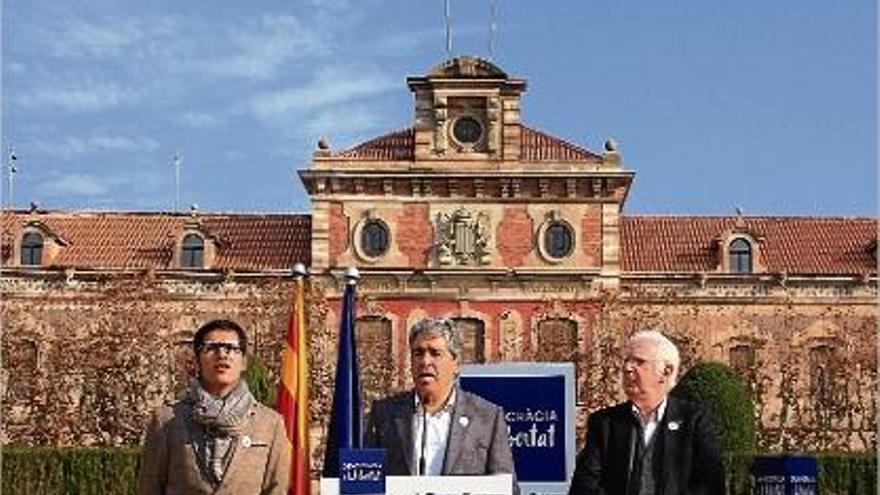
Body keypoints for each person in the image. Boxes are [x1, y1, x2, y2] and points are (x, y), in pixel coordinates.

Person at [364, 317, 519, 493]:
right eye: (418, 353)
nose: (425, 361)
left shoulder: (486, 417)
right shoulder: (384, 414)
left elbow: (508, 488)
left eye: (435, 353)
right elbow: (364, 483)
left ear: (455, 363)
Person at [138, 319, 290, 495]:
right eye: (211, 348)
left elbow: (276, 489)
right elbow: (149, 488)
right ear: (197, 360)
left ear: (244, 362)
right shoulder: (166, 420)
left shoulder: (269, 424)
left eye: (231, 348)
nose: (222, 355)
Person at [568, 330, 724, 495]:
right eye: (626, 361)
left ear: (666, 371)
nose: (627, 368)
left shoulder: (694, 420)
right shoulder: (605, 423)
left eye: (639, 362)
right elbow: (584, 484)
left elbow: (710, 484)